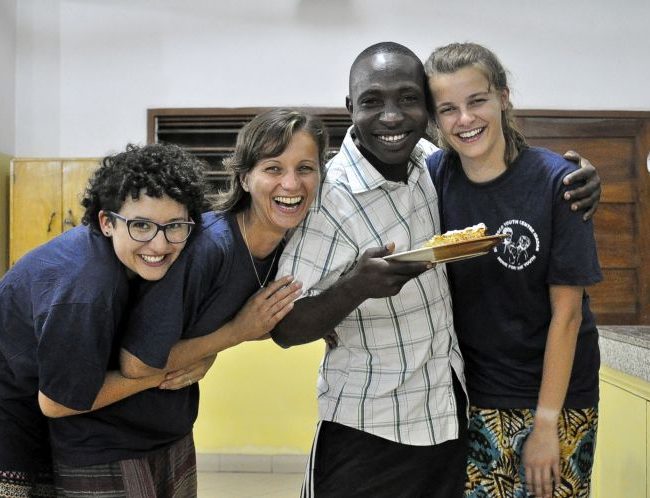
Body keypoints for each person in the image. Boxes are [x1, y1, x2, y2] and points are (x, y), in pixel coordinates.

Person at [270, 42, 602, 498]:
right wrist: (351, 290)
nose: (392, 117)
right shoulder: (378, 185)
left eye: (409, 99)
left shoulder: (454, 170)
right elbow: (287, 322)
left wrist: (583, 173)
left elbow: (567, 312)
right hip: (414, 416)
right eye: (448, 109)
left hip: (497, 409)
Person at [425, 42, 602, 498]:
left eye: (477, 100)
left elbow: (568, 315)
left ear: (503, 97)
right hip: (472, 396)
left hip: (559, 397)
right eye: (448, 109)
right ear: (436, 119)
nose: (465, 119)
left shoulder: (558, 182)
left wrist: (545, 425)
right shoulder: (431, 179)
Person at [0, 143, 216, 497]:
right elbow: (56, 402)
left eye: (174, 226)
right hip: (17, 410)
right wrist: (168, 369)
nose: (159, 245)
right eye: (141, 225)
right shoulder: (86, 288)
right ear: (107, 222)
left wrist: (208, 353)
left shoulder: (162, 256)